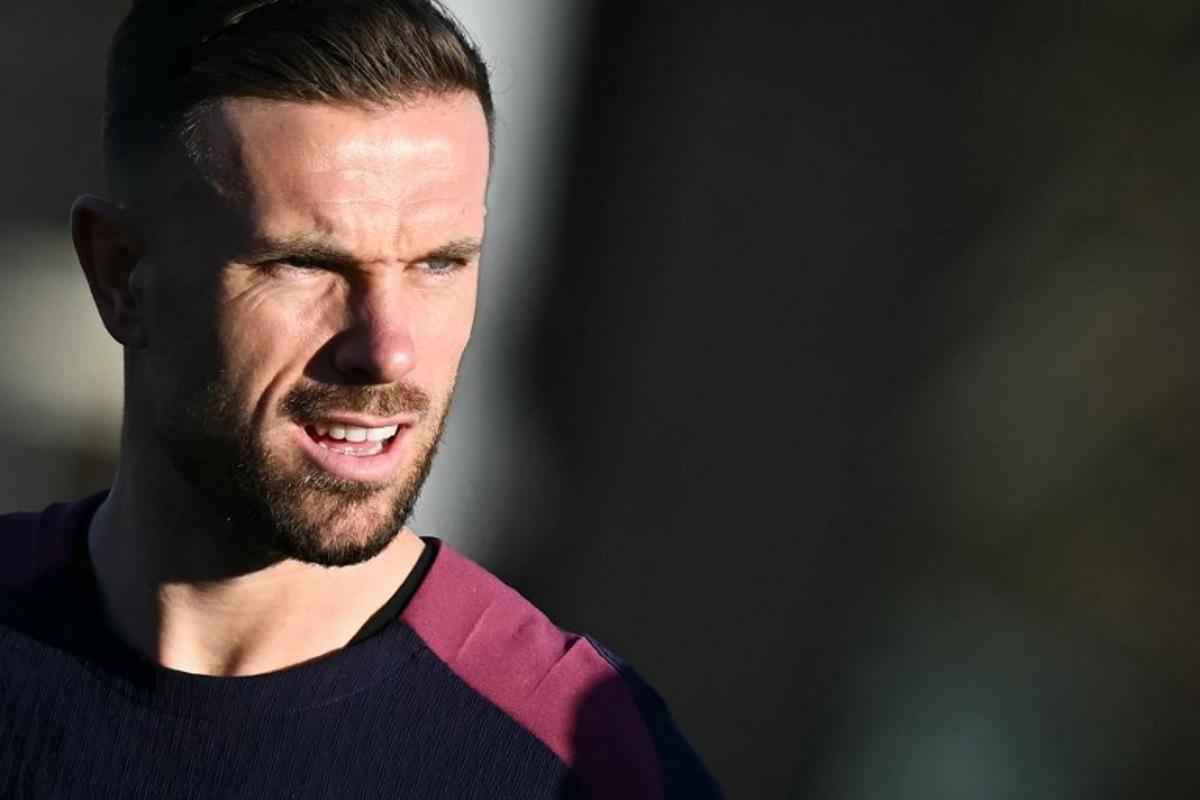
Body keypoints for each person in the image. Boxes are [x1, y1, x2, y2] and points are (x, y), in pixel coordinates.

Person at [0, 1, 721, 797]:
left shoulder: (586, 761)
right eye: (306, 264)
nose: (388, 349)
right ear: (122, 274)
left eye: (439, 264)